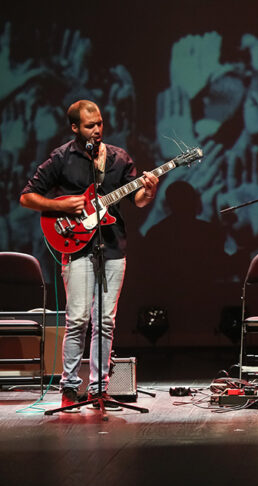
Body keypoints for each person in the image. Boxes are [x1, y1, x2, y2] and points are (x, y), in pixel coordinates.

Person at [20, 100, 159, 411]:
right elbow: (27, 196)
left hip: (112, 247)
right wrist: (63, 206)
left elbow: (136, 199)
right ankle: (69, 388)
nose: (97, 130)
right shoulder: (61, 157)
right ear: (74, 128)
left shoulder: (118, 157)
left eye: (99, 123)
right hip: (76, 246)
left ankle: (99, 388)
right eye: (89, 126)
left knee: (105, 322)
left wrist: (148, 191)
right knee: (79, 319)